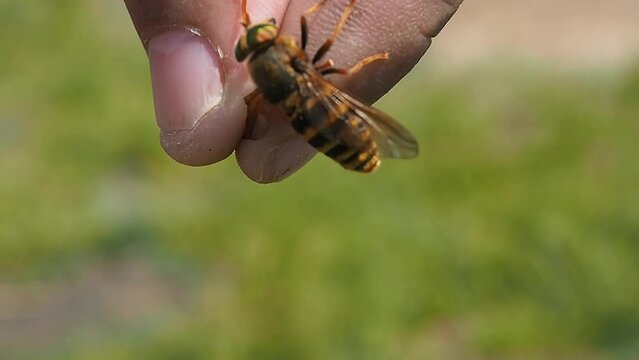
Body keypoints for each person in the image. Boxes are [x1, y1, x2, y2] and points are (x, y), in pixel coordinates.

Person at [124, 0, 463, 183]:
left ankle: (353, 150)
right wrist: (365, 54)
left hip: (308, 122)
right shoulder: (295, 61)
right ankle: (359, 147)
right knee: (328, 65)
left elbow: (254, 114)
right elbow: (332, 60)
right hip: (320, 113)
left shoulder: (260, 88)